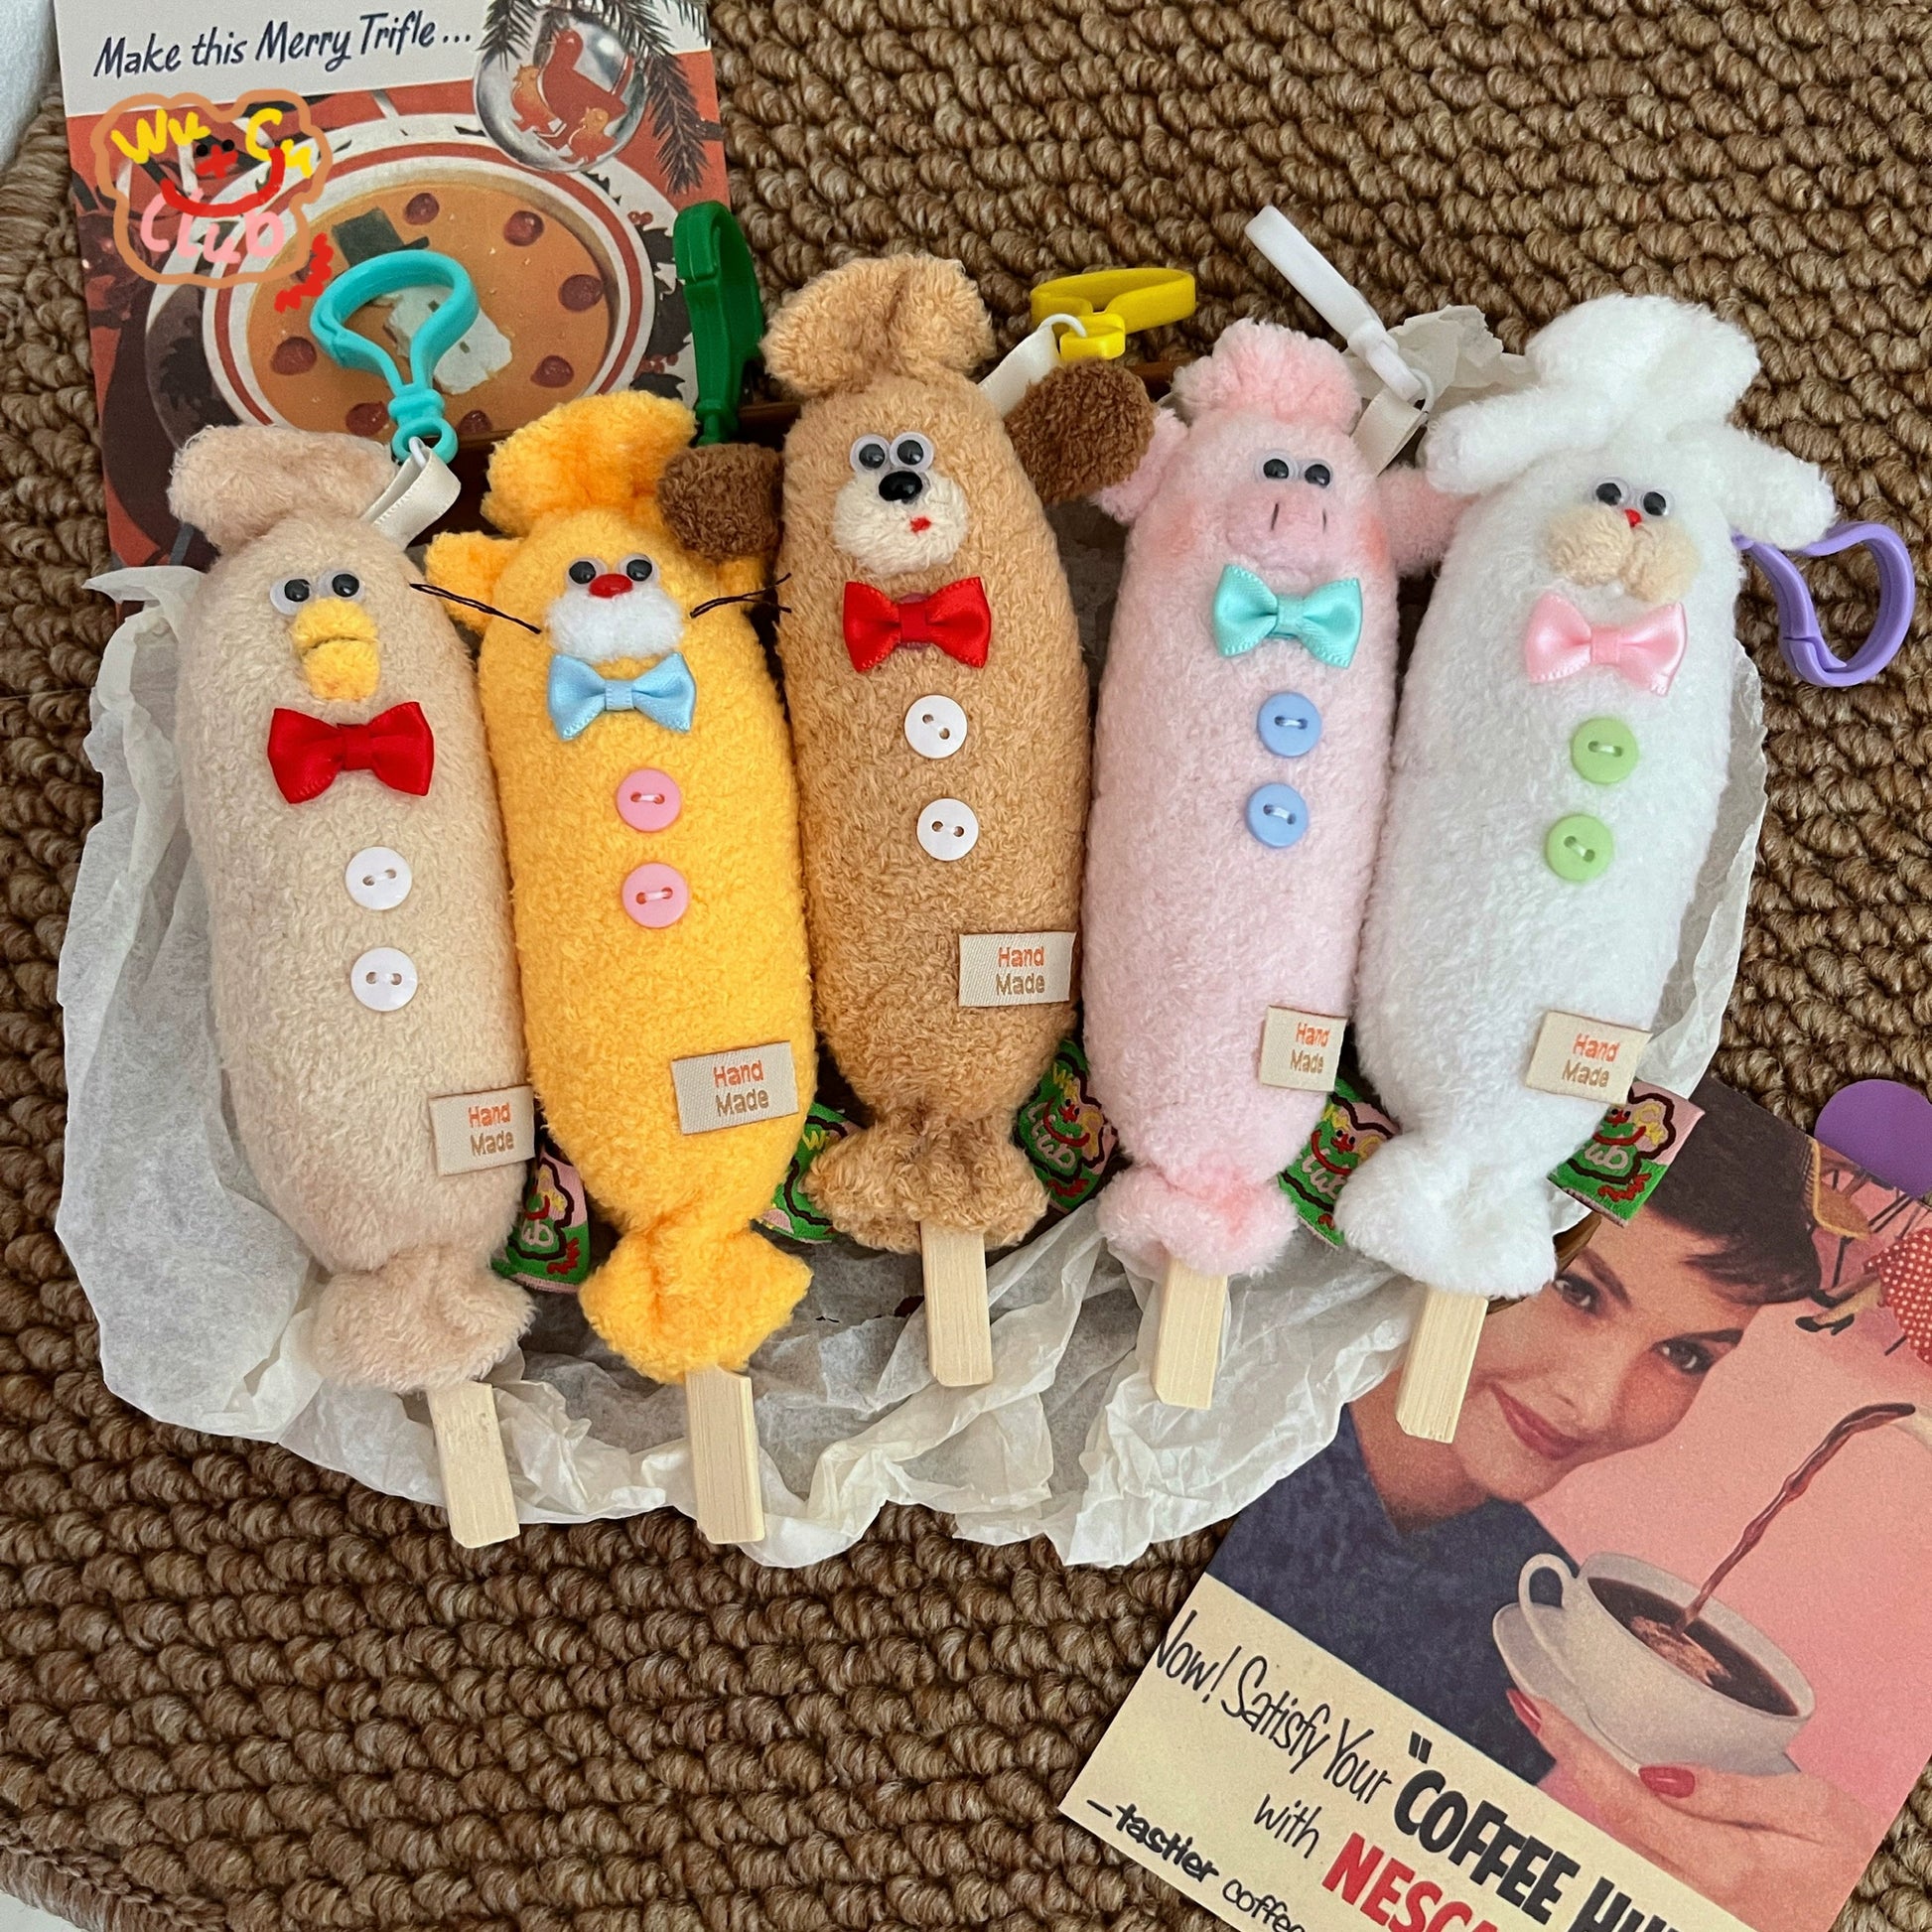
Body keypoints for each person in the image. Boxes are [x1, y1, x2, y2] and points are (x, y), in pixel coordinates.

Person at [1211, 1078, 1883, 1932]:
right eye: (1579, 1291)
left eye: (1685, 1354)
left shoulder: (1550, 1624)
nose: (1595, 1404)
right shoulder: (1232, 1441)